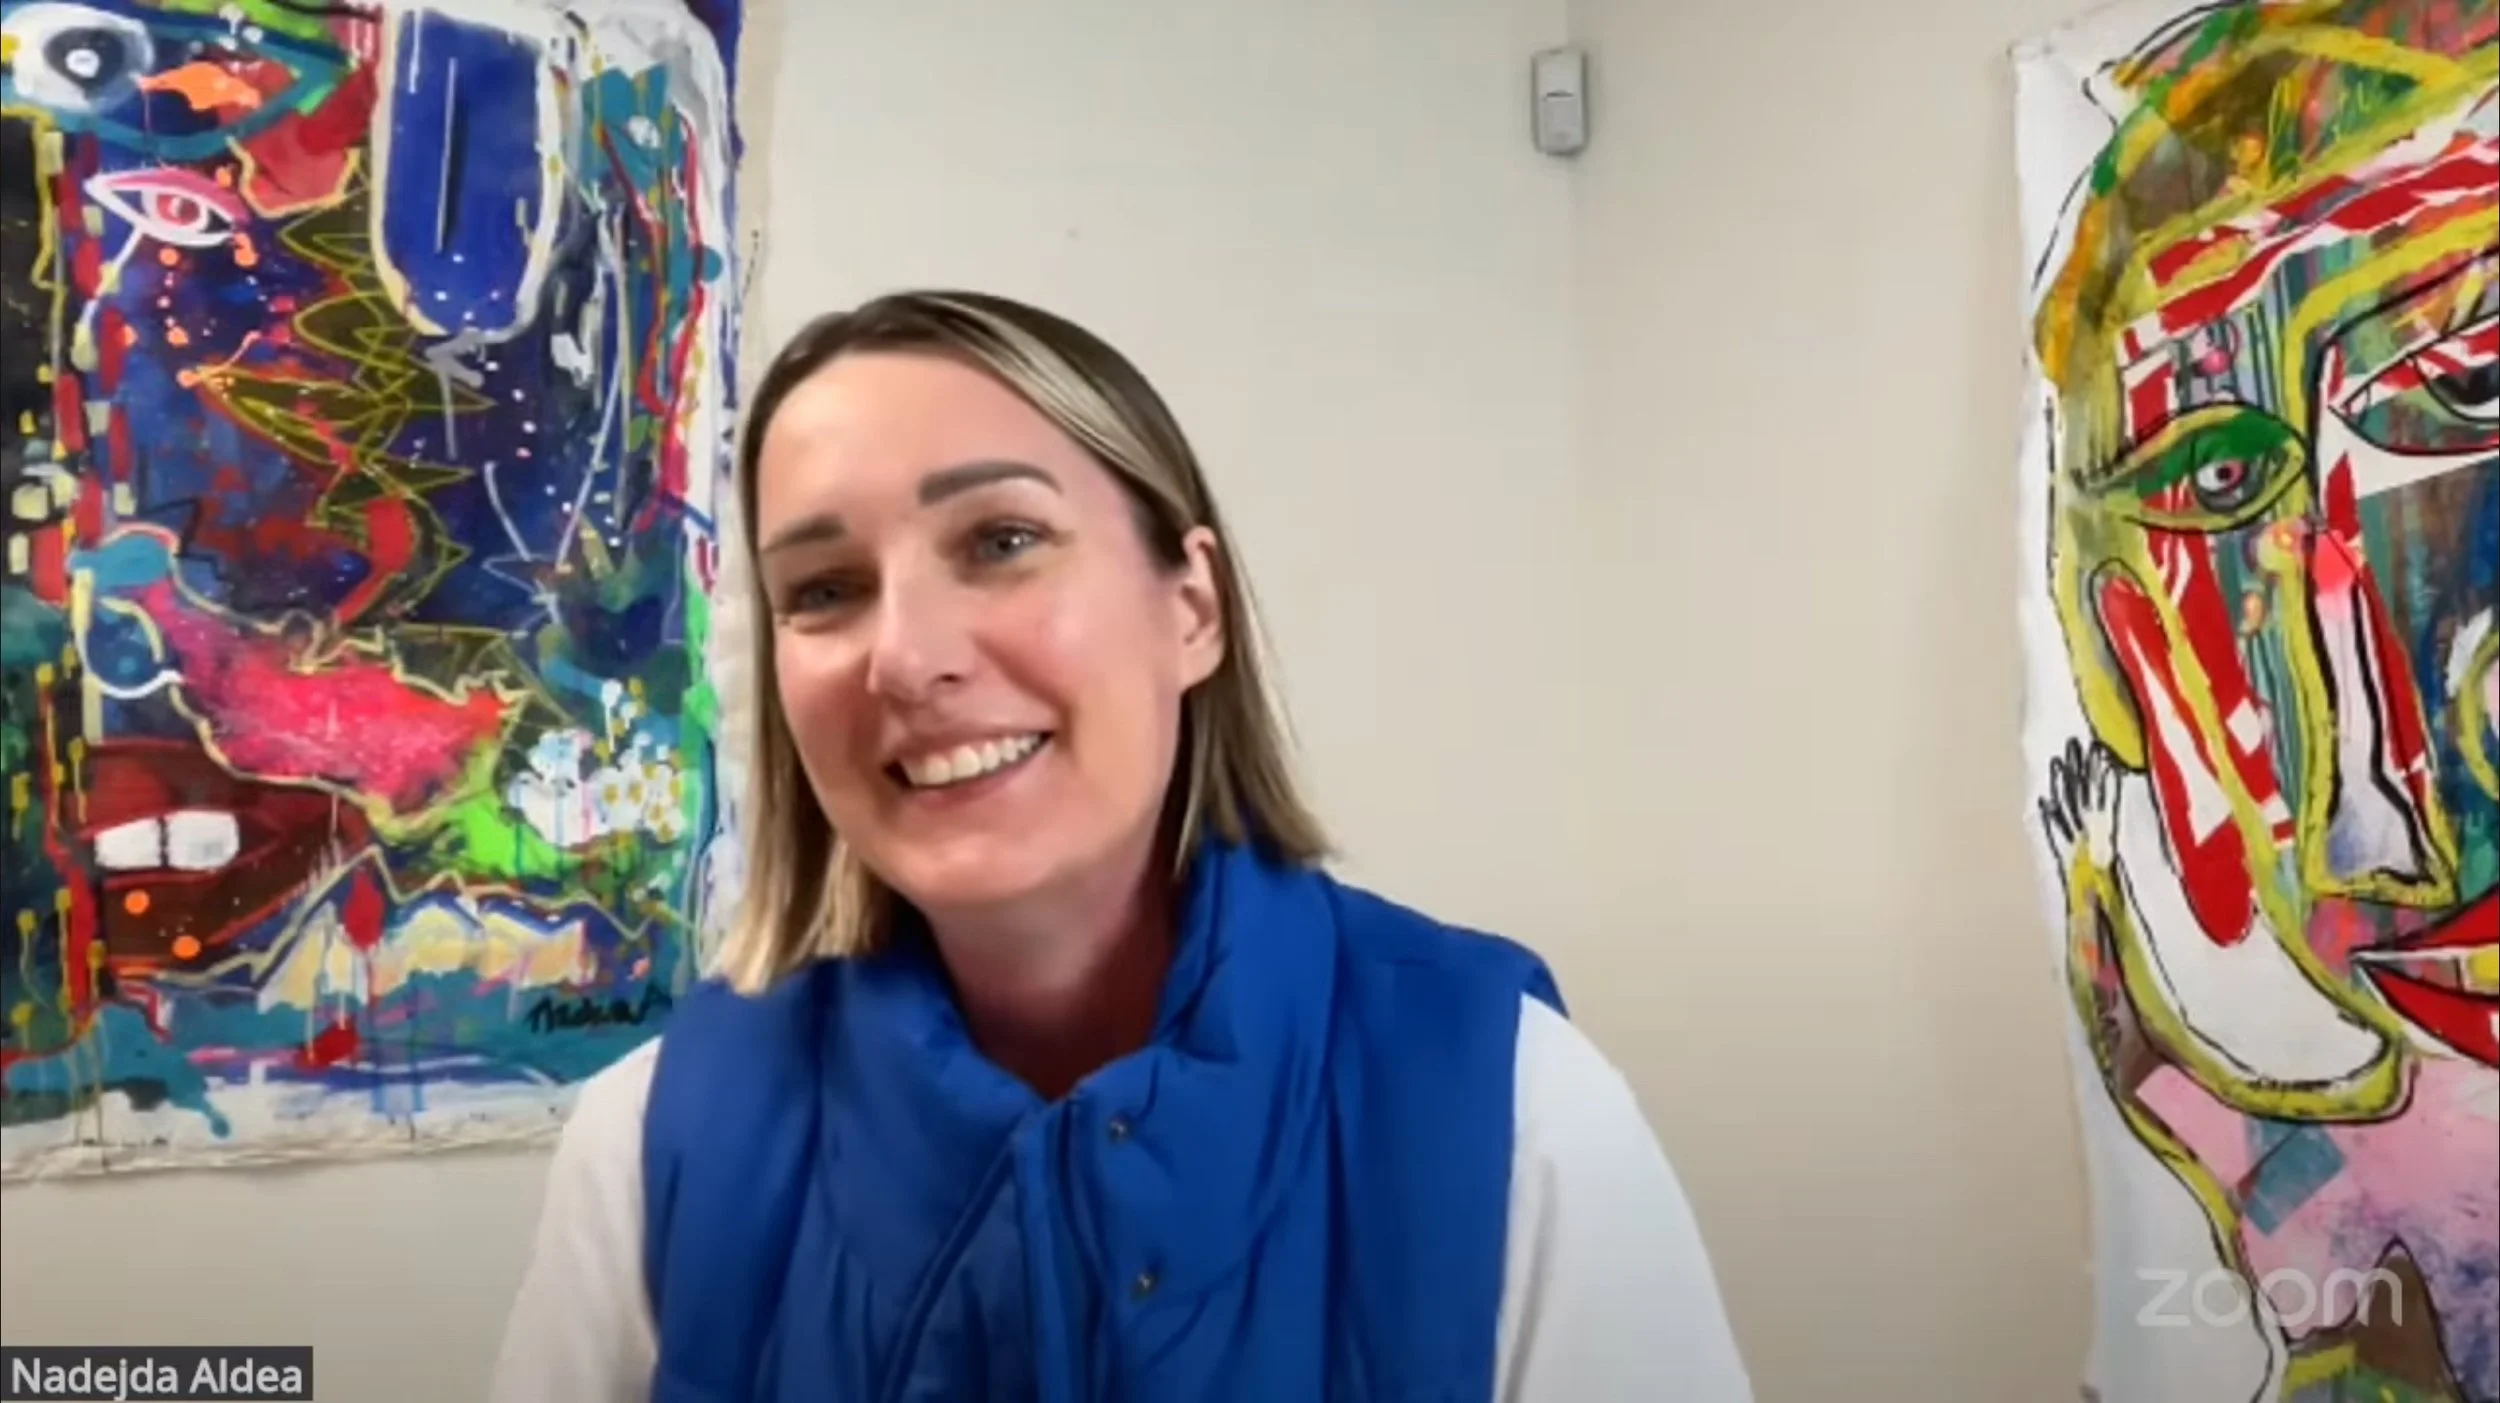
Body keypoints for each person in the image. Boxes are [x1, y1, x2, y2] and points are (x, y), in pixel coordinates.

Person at [485, 289, 1753, 1402]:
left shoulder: (1517, 1106)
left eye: (1001, 542)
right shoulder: (654, 1137)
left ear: (1191, 607)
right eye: (823, 589)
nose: (907, 656)